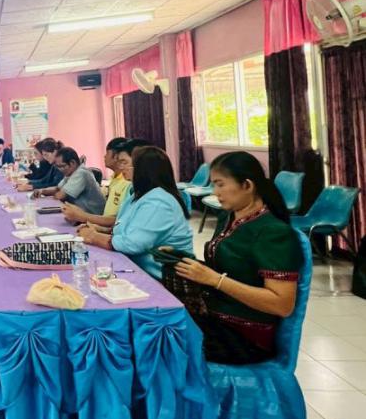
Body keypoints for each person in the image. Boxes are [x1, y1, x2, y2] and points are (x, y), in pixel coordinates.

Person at [172, 151, 303, 364]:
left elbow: (282, 304)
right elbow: (230, 269)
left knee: (159, 341)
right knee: (148, 324)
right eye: (213, 185)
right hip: (214, 318)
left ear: (247, 185)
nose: (215, 192)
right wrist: (180, 260)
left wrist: (215, 280)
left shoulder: (273, 232)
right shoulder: (228, 217)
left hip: (244, 336)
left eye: (220, 184)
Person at [78, 146, 193, 279]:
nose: (122, 168)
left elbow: (132, 244)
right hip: (137, 266)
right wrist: (100, 230)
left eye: (127, 164)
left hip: (161, 277)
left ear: (144, 171)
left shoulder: (159, 202)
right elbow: (123, 227)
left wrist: (93, 236)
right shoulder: (137, 195)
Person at [62, 137, 136, 229]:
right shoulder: (115, 178)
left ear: (116, 157)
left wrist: (82, 216)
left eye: (107, 153)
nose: (104, 156)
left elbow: (117, 220)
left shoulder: (128, 183)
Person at [33, 147, 107, 214]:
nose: (60, 169)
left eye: (62, 166)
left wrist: (53, 194)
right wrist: (42, 191)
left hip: (93, 216)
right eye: (57, 166)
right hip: (81, 214)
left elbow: (60, 196)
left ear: (72, 163)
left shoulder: (81, 173)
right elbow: (57, 189)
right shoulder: (71, 173)